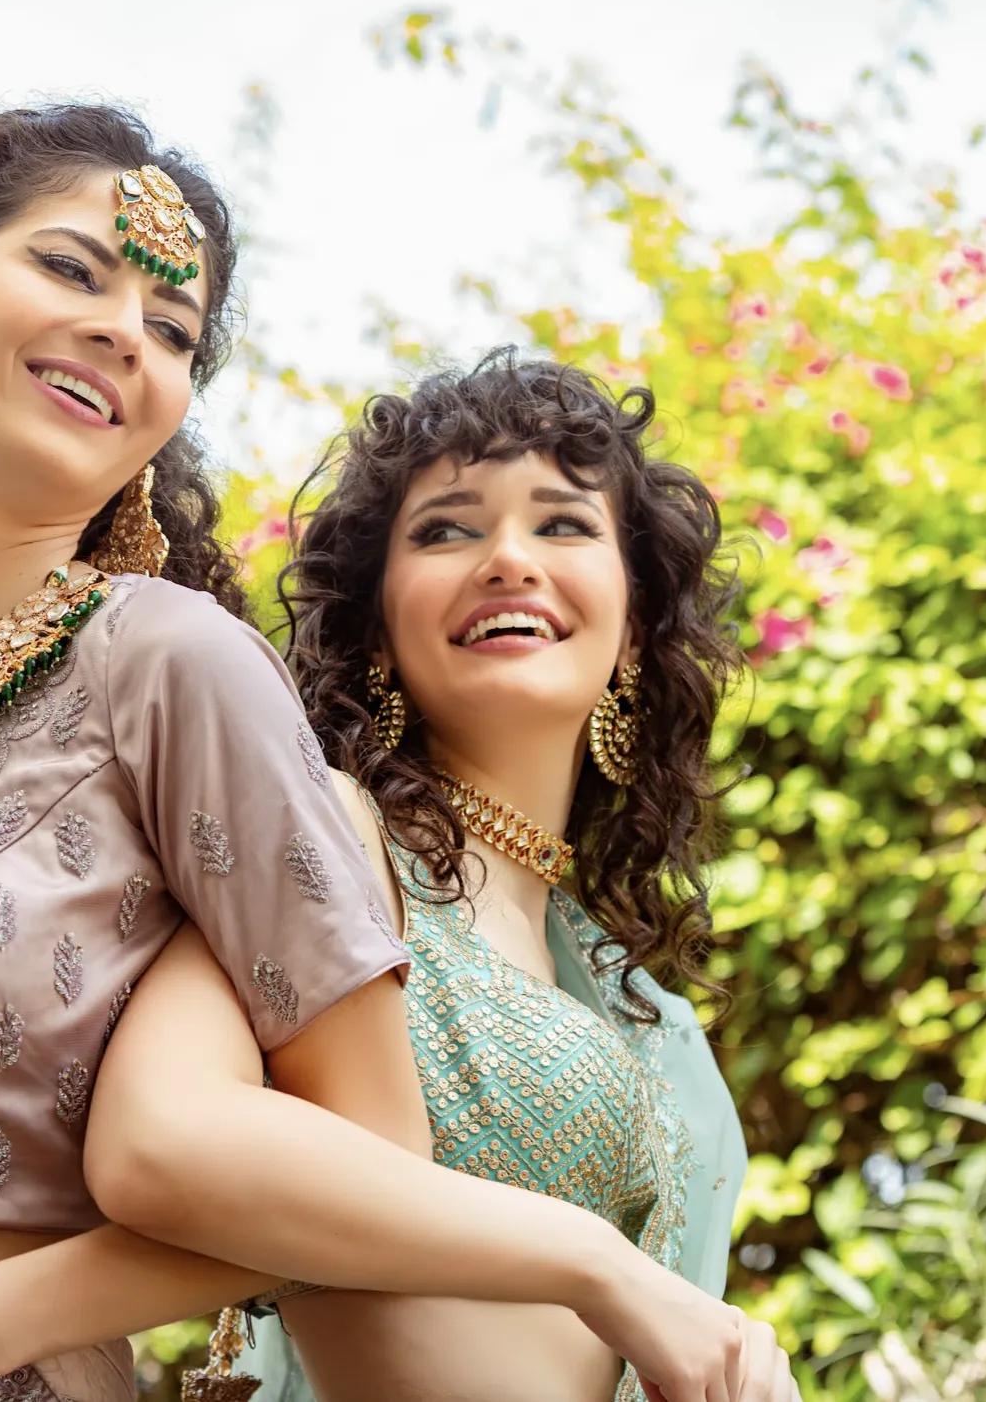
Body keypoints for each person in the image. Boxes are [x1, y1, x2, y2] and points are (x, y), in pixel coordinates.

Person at [0, 105, 779, 1402]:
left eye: (173, 330)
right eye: (74, 271)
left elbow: (351, 1154)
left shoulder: (165, 664)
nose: (123, 330)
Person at [83, 351, 779, 1401]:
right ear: (378, 627)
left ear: (632, 630)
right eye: (447, 529)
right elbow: (160, 1144)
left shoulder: (650, 1024)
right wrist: (600, 1267)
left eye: (564, 524)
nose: (508, 559)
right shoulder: (331, 840)